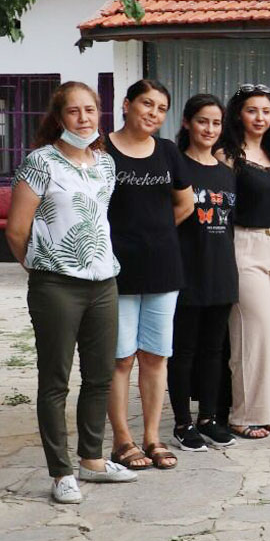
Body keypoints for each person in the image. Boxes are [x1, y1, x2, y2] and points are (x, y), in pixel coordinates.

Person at [7, 82, 138, 503]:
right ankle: (61, 471)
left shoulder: (104, 164)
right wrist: (42, 269)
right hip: (56, 285)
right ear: (58, 117)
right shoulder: (40, 162)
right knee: (55, 379)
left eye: (90, 110)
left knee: (100, 376)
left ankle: (92, 460)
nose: (83, 118)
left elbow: (98, 219)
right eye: (73, 111)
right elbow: (17, 230)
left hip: (104, 282)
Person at [104, 79, 194, 472]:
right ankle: (122, 440)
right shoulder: (101, 150)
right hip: (114, 271)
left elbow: (185, 204)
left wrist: (154, 234)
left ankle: (153, 436)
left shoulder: (168, 152)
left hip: (163, 268)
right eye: (146, 104)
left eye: (161, 108)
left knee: (156, 356)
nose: (153, 113)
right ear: (126, 105)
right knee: (120, 358)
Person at [220, 84, 270, 440]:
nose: (260, 118)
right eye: (252, 110)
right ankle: (244, 413)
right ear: (238, 114)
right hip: (244, 243)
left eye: (266, 111)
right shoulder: (227, 155)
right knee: (253, 331)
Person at [169, 94, 239, 452]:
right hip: (186, 272)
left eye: (215, 122)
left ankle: (208, 419)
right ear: (187, 123)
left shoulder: (226, 173)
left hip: (222, 271)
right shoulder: (175, 166)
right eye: (202, 121)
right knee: (183, 351)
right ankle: (182, 423)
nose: (209, 129)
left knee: (214, 351)